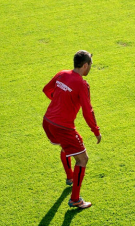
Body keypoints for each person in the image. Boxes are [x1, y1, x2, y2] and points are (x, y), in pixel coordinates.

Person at [42, 50, 102, 209]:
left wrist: (59, 101)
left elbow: (46, 90)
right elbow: (88, 111)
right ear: (85, 65)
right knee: (82, 159)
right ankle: (75, 199)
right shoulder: (82, 84)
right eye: (91, 65)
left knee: (67, 147)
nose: (91, 67)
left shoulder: (62, 74)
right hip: (62, 127)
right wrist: (96, 131)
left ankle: (70, 177)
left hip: (48, 122)